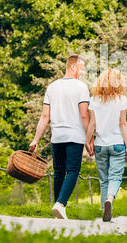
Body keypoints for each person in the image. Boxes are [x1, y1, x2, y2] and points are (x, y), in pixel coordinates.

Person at [29, 54, 92, 220]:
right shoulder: (81, 87)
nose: (84, 71)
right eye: (82, 68)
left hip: (57, 136)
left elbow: (44, 116)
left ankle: (58, 210)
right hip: (74, 136)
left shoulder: (52, 87)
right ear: (73, 67)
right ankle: (61, 204)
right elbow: (84, 116)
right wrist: (89, 138)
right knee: (73, 170)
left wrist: (36, 139)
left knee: (59, 172)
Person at [85, 68, 127, 222]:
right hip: (117, 144)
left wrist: (87, 141)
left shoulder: (94, 100)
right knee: (115, 177)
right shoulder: (121, 99)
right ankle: (109, 200)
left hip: (100, 145)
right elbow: (123, 124)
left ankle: (103, 210)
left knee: (104, 179)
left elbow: (92, 124)